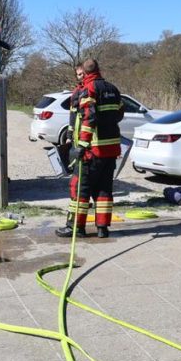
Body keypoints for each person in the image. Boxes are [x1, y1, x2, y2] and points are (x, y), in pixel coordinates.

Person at [56, 58, 123, 239]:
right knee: (104, 189)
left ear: (84, 73)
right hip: (111, 150)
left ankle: (75, 227)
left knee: (80, 188)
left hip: (92, 150)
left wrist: (82, 145)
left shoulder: (89, 89)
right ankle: (102, 228)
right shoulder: (113, 89)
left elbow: (89, 117)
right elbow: (119, 114)